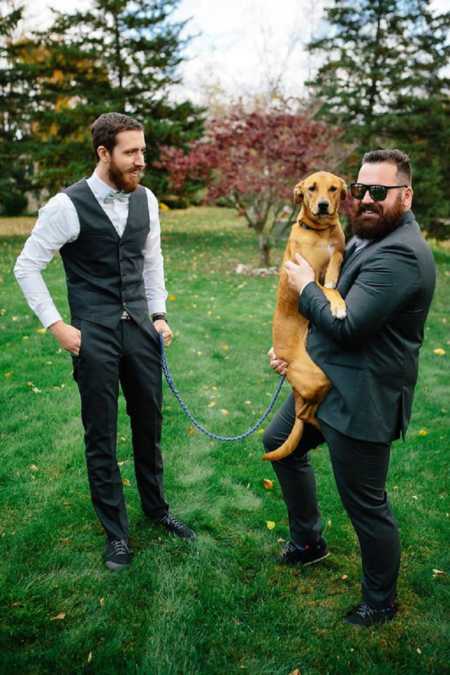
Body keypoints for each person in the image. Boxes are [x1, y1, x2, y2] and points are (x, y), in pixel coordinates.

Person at [14, 112, 195, 572]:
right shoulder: (65, 206)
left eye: (143, 151)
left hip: (140, 330)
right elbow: (26, 266)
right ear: (103, 153)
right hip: (92, 336)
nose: (141, 161)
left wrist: (158, 314)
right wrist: (58, 325)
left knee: (149, 425)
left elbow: (151, 262)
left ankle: (157, 509)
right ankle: (116, 533)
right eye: (130, 153)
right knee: (101, 433)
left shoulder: (147, 200)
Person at [264, 149, 436, 627]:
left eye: (379, 192)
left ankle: (380, 601)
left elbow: (349, 325)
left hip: (363, 397)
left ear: (406, 195)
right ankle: (309, 541)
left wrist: (305, 288)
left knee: (366, 505)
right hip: (325, 378)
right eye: (361, 190)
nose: (366, 199)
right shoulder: (365, 234)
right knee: (278, 442)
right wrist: (292, 349)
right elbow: (328, 311)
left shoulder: (401, 255)